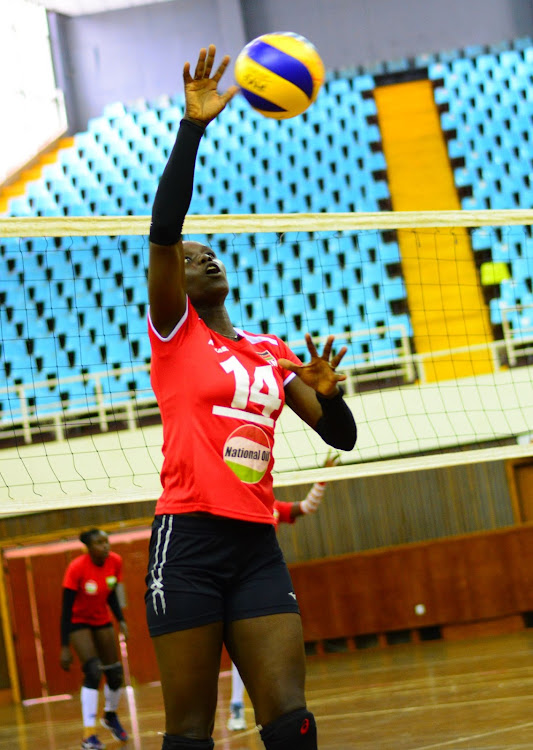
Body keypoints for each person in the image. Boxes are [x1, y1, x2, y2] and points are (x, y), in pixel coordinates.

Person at [145, 44, 357, 750]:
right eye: (191, 257)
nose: (201, 257)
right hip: (189, 540)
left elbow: (341, 437)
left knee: (290, 720)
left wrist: (329, 397)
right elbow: (165, 232)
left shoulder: (269, 351)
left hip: (255, 543)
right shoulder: (173, 331)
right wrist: (193, 129)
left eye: (212, 253)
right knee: (188, 733)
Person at [227, 454, 339, 732]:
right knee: (241, 648)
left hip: (264, 580)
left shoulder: (273, 506)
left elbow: (308, 506)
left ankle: (270, 710)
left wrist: (323, 476)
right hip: (231, 578)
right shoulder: (232, 503)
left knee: (267, 648)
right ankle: (237, 706)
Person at [60, 528, 129, 750]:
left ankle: (110, 715)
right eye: (99, 543)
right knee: (92, 670)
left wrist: (122, 620)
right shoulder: (76, 568)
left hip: (102, 619)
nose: (105, 546)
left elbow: (111, 594)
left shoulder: (115, 561)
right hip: (78, 621)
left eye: (106, 541)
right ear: (88, 548)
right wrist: (64, 646)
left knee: (115, 673)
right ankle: (88, 734)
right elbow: (66, 609)